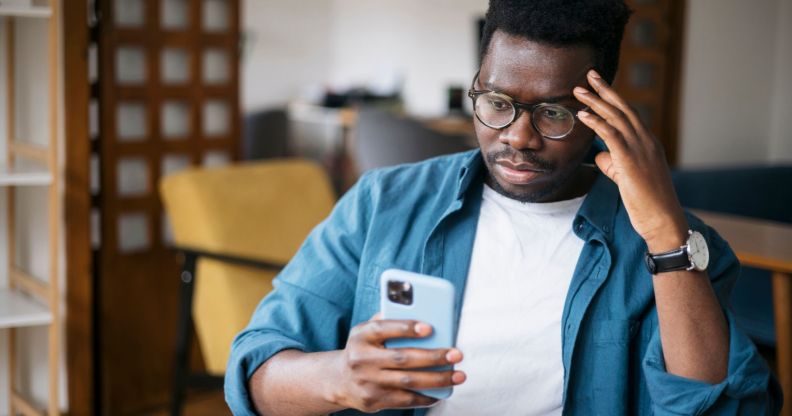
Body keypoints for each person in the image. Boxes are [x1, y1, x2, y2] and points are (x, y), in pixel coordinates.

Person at [225, 1, 781, 414]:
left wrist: (664, 235)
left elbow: (730, 409)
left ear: (602, 113)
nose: (518, 137)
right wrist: (340, 378)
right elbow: (255, 374)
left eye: (554, 114)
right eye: (496, 102)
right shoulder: (384, 204)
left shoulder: (675, 249)